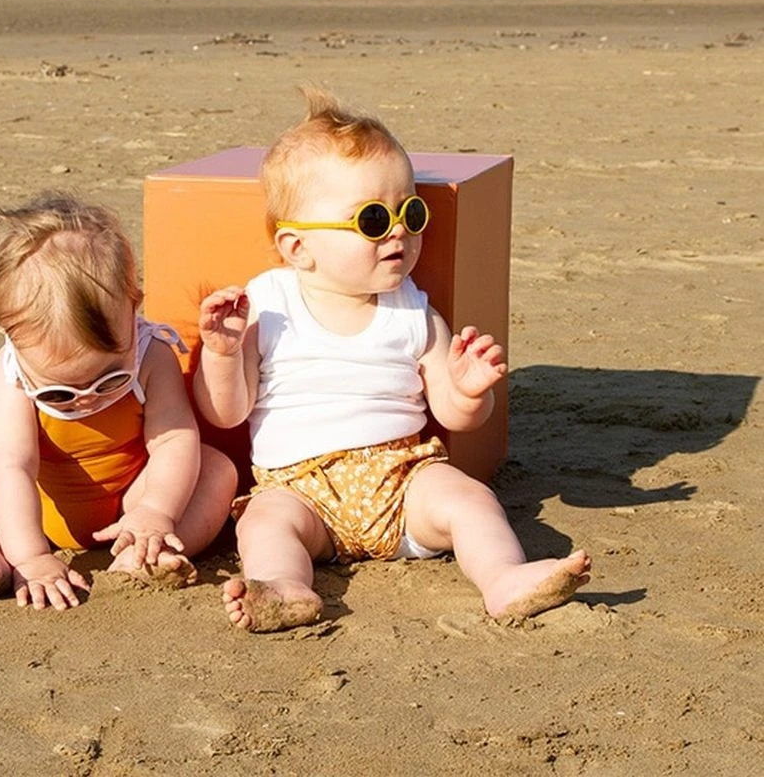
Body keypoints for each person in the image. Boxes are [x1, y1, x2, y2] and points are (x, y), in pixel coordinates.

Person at [194, 88, 591, 632]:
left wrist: (471, 390)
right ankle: (286, 586)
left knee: (470, 500)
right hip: (300, 488)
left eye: (411, 211)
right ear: (297, 249)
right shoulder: (268, 304)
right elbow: (226, 412)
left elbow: (452, 414)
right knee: (264, 525)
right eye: (373, 220)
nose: (399, 231)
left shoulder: (413, 311)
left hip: (404, 477)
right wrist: (221, 353)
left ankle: (503, 577)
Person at [0, 192, 237, 610]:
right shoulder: (10, 374)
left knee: (215, 469)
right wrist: (31, 556)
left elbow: (173, 440)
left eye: (109, 380)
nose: (85, 400)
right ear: (7, 332)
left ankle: (143, 554)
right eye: (58, 394)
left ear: (134, 306)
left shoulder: (151, 354)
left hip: (133, 494)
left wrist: (157, 510)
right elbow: (13, 469)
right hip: (37, 502)